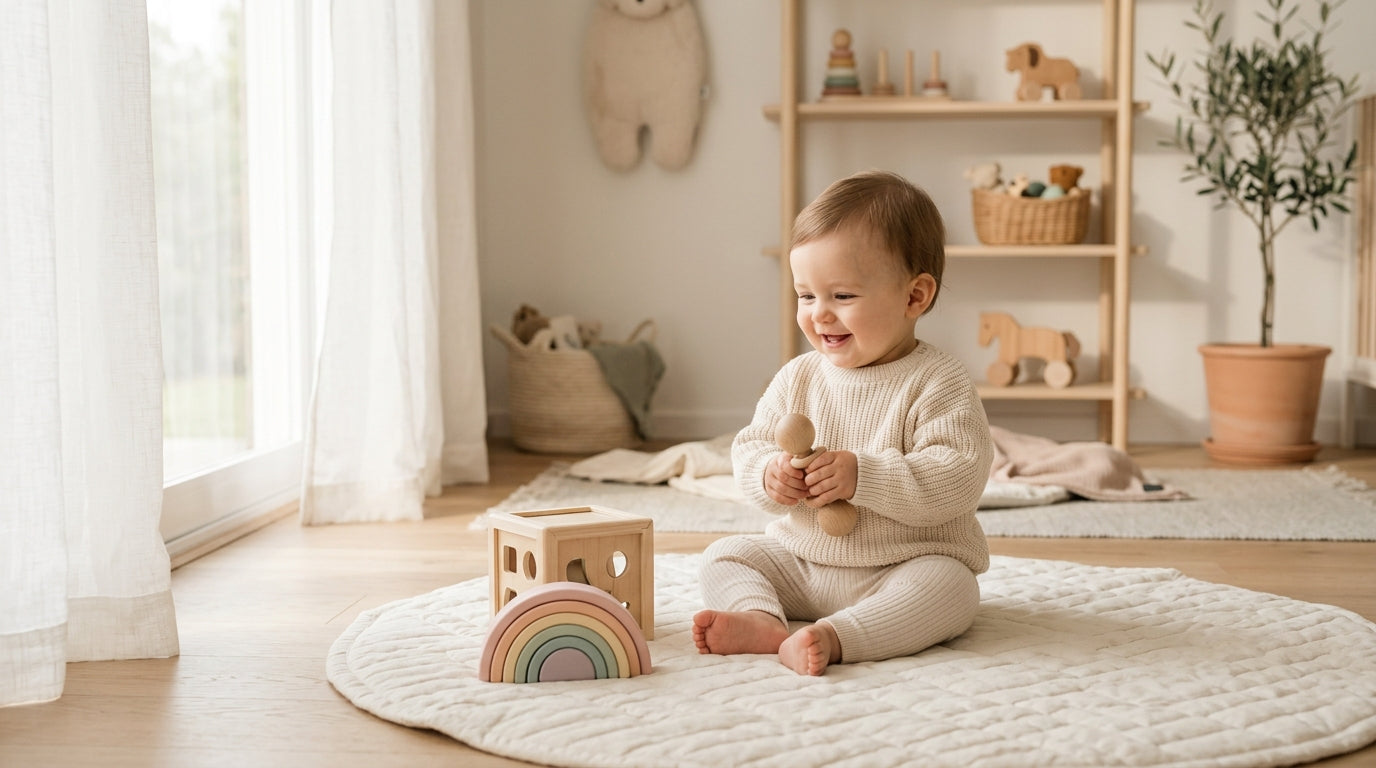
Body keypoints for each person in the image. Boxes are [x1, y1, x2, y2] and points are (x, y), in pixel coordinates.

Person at [692, 170, 993, 675]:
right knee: (725, 554)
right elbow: (752, 444)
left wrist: (864, 475)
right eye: (806, 296)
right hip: (803, 564)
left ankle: (837, 636)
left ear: (914, 297)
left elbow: (959, 477)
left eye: (843, 296)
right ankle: (761, 619)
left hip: (903, 564)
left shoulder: (939, 380)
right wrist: (769, 474)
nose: (819, 315)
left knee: (954, 588)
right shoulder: (798, 376)